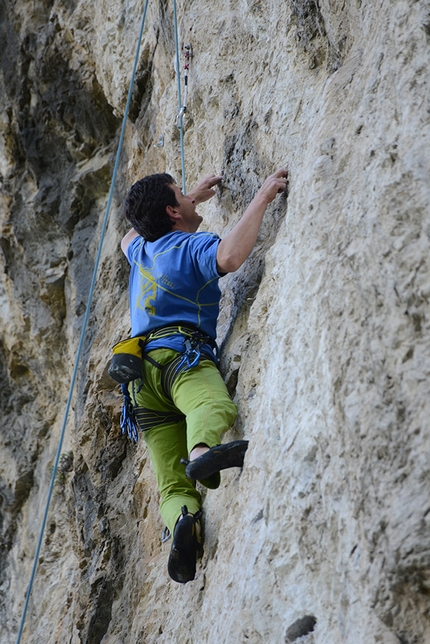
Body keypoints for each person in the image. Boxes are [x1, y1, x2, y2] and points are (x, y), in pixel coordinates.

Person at [121, 168, 288, 583]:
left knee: (170, 482)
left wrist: (184, 200)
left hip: (141, 380)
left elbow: (128, 236)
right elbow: (230, 256)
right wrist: (263, 197)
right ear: (172, 212)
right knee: (209, 403)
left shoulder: (140, 250)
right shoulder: (189, 247)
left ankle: (184, 519)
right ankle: (201, 456)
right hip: (181, 357)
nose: (192, 199)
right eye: (184, 195)